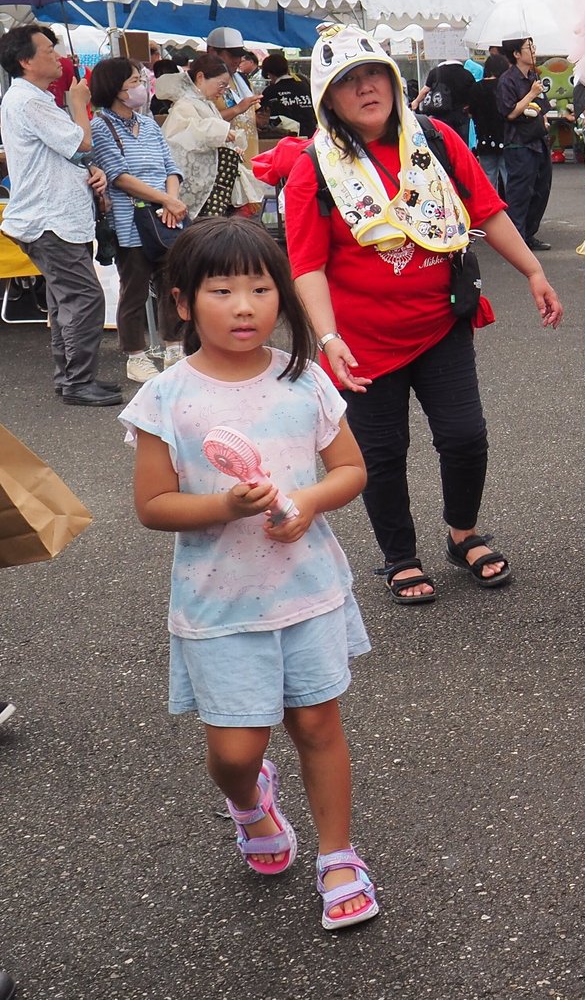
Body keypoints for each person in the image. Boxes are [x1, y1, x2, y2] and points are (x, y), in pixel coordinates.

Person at [121, 216, 378, 931]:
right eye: (223, 290)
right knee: (235, 750)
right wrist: (224, 504)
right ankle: (249, 799)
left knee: (319, 725)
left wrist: (307, 504)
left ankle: (338, 854)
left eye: (261, 288)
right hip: (219, 608)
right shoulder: (166, 400)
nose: (244, 305)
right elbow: (152, 505)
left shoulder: (304, 381)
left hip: (308, 592)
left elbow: (351, 468)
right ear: (181, 303)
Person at [285, 25, 563, 603]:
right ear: (328, 99)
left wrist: (534, 272)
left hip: (440, 322)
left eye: (374, 75)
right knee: (382, 454)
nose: (366, 89)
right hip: (361, 340)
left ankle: (462, 533)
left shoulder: (432, 139)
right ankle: (399, 556)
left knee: (465, 437)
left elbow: (487, 208)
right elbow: (306, 264)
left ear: (392, 79)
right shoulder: (314, 168)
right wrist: (327, 335)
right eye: (348, 82)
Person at [0, 24, 121, 406]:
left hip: (54, 215)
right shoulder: (29, 100)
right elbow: (82, 141)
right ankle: (77, 380)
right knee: (84, 298)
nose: (57, 56)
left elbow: (70, 153)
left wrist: (90, 169)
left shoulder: (30, 98)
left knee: (64, 300)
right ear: (25, 61)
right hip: (50, 217)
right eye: (49, 50)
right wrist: (77, 103)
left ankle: (71, 378)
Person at [88, 57, 188, 382]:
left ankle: (174, 348)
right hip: (131, 221)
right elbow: (119, 177)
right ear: (116, 88)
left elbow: (170, 165)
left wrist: (171, 200)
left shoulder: (147, 123)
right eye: (134, 81)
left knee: (172, 283)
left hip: (164, 218)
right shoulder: (101, 126)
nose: (141, 87)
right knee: (134, 289)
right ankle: (135, 355)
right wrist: (166, 199)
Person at [159, 53, 251, 219]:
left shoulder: (204, 102)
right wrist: (221, 133)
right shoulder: (185, 103)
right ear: (200, 77)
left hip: (212, 187)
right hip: (200, 187)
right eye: (221, 85)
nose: (222, 92)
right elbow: (186, 137)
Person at [495, 37, 552, 251]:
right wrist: (531, 94)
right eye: (529, 48)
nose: (534, 51)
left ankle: (529, 234)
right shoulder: (507, 80)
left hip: (539, 140)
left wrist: (543, 117)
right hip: (519, 144)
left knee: (540, 190)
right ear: (517, 54)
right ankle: (516, 240)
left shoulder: (533, 76)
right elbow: (509, 113)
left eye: (533, 46)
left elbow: (542, 106)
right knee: (520, 193)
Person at [205, 27, 262, 157]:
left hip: (250, 158)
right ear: (213, 52)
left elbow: (251, 117)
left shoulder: (242, 80)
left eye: (239, 55)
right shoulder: (205, 83)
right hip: (225, 162)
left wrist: (261, 120)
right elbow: (203, 122)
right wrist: (237, 109)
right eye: (232, 55)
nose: (237, 60)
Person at [469, 53, 510, 196]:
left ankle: (491, 210)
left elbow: (471, 112)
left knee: (488, 176)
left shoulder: (476, 88)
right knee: (508, 175)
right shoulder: (504, 86)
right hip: (505, 137)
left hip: (484, 138)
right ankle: (511, 211)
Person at [258, 53, 316, 137]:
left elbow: (261, 115)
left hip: (287, 138)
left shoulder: (270, 91)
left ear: (269, 73)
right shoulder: (304, 85)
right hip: (312, 134)